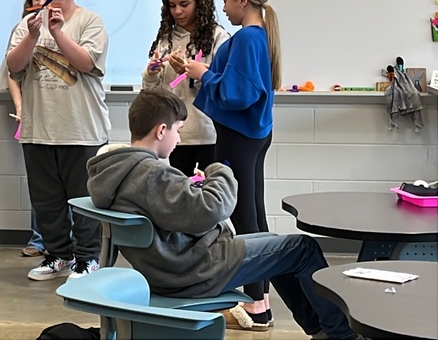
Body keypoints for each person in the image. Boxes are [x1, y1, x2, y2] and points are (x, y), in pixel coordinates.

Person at [86, 88, 360, 340]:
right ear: (161, 131)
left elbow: (175, 209)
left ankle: (321, 331)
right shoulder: (152, 173)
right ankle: (341, 336)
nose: (179, 138)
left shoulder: (115, 172)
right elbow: (213, 208)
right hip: (197, 270)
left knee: (275, 242)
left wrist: (191, 189)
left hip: (170, 268)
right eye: (178, 131)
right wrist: (218, 170)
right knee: (304, 248)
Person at [184, 0, 281, 329]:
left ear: (243, 0)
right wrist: (207, 72)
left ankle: (256, 304)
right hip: (253, 135)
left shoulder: (246, 39)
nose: (223, 8)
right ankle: (263, 300)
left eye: (226, 0)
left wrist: (203, 73)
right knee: (253, 214)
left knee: (244, 219)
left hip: (239, 136)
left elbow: (239, 95)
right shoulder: (259, 37)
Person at [6, 0, 107, 281]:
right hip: (39, 128)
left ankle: (87, 258)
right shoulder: (27, 24)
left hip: (82, 129)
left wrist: (58, 33)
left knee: (84, 201)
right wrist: (34, 36)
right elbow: (14, 67)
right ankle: (58, 255)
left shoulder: (91, 21)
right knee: (46, 202)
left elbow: (86, 63)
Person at [142, 0, 229, 177]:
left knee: (212, 194)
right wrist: (151, 74)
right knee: (180, 194)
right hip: (178, 134)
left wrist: (195, 73)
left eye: (184, 4)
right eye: (172, 6)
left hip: (210, 133)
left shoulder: (218, 37)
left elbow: (224, 85)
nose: (178, 11)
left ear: (199, 3)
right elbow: (153, 91)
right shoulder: (166, 40)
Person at [0, 0, 49, 257]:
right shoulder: (22, 31)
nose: (41, 3)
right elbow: (14, 74)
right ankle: (39, 239)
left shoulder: (69, 26)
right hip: (31, 116)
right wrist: (21, 108)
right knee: (38, 182)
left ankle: (70, 242)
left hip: (62, 117)